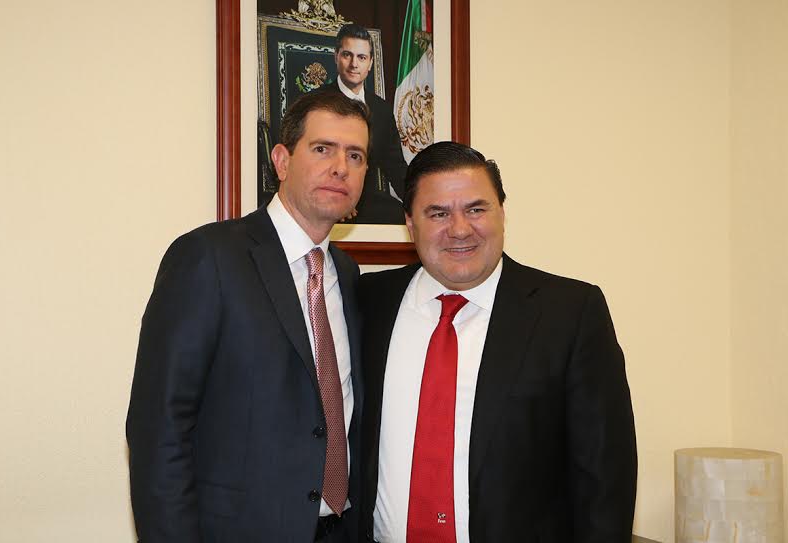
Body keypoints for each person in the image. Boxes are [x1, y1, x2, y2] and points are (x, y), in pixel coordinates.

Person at [359, 141, 637, 542]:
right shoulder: (368, 301)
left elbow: (605, 479)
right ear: (410, 223)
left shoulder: (570, 313)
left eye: (476, 209)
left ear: (502, 213)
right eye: (438, 213)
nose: (460, 229)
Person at [126, 90, 369, 543]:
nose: (341, 167)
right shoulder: (208, 258)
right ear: (282, 160)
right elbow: (159, 428)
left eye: (355, 155)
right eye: (322, 149)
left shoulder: (349, 274)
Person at [329, 23, 408, 225]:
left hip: (368, 201)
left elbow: (396, 167)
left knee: (410, 221)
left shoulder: (381, 109)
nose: (354, 64)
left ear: (371, 63)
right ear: (336, 56)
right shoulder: (315, 103)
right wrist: (337, 197)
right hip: (327, 194)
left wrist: (419, 203)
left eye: (362, 57)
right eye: (347, 55)